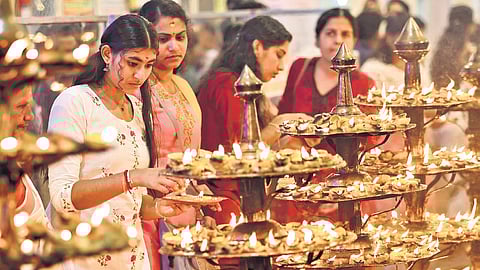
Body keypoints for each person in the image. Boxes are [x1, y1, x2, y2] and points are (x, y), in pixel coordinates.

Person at [48, 14, 192, 270]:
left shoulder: (136, 107)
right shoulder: (75, 102)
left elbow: (130, 202)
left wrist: (159, 207)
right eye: (132, 63)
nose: (140, 74)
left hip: (129, 253)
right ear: (107, 54)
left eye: (148, 65)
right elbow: (63, 198)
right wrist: (133, 177)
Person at [139, 1, 219, 269]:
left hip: (186, 207)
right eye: (164, 39)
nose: (174, 46)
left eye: (180, 37)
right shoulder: (138, 89)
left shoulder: (183, 85)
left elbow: (190, 155)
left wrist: (200, 202)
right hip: (150, 212)